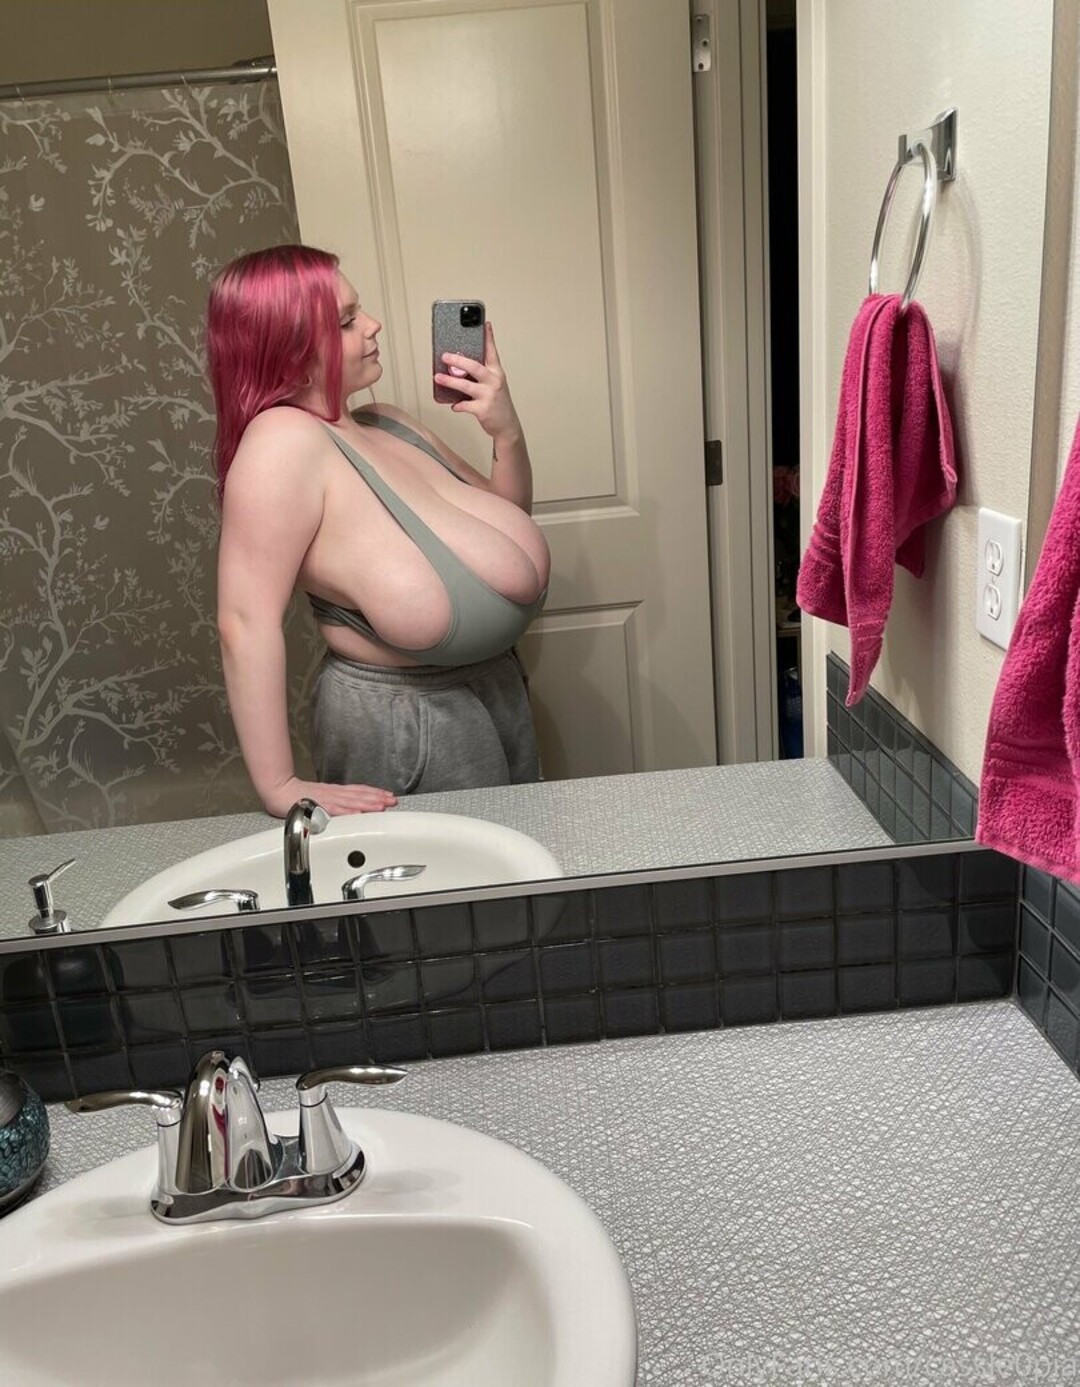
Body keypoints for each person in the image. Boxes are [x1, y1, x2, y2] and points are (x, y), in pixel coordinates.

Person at [208, 244, 550, 817]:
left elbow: (504, 530)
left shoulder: (386, 422)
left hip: (495, 693)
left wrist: (505, 431)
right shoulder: (281, 444)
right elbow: (244, 621)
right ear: (289, 347)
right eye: (347, 321)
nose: (373, 325)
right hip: (408, 724)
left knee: (522, 866)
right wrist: (279, 784)